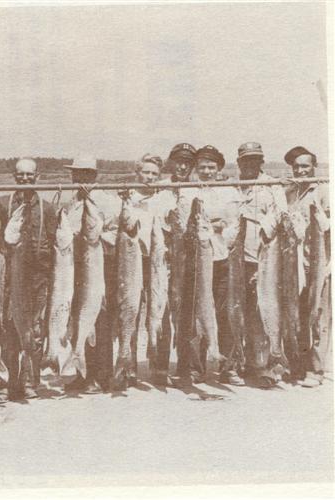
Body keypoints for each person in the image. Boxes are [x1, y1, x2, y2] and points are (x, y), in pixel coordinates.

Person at [0, 158, 57, 400]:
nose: (26, 179)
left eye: (30, 175)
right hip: (12, 278)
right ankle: (10, 380)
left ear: (37, 176)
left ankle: (30, 380)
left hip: (38, 280)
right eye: (21, 175)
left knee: (35, 331)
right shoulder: (3, 204)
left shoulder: (47, 208)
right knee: (10, 329)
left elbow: (55, 244)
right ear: (14, 176)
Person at [178, 146, 242, 385]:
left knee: (225, 313)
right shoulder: (186, 190)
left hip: (222, 258)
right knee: (197, 313)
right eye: (202, 167)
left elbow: (235, 226)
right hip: (196, 260)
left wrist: (220, 229)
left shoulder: (229, 192)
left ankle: (228, 367)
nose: (206, 171)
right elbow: (184, 222)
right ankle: (196, 367)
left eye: (211, 167)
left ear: (219, 169)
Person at [61, 157, 119, 394]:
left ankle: (101, 376)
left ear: (95, 176)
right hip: (75, 267)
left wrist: (94, 237)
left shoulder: (107, 201)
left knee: (101, 320)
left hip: (101, 264)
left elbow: (117, 233)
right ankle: (81, 372)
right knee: (79, 319)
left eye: (86, 174)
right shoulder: (70, 203)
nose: (81, 179)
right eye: (77, 174)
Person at [117, 155, 175, 389]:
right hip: (133, 260)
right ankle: (127, 366)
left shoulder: (164, 198)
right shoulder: (127, 197)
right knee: (131, 311)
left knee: (160, 312)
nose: (150, 178)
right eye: (146, 173)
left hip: (158, 261)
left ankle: (160, 366)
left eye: (154, 174)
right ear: (137, 172)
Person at [234, 142, 288, 388]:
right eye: (246, 160)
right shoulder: (232, 186)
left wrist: (261, 220)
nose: (250, 165)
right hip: (238, 259)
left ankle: (266, 365)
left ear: (261, 162)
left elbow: (280, 214)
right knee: (240, 312)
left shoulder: (272, 186)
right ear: (239, 163)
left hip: (264, 259)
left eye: (255, 160)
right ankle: (244, 360)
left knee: (262, 312)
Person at [283, 146, 330, 387]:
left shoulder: (323, 190)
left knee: (317, 314)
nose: (301, 170)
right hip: (295, 264)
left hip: (319, 262)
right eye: (296, 166)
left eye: (305, 166)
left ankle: (316, 369)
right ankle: (297, 365)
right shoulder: (290, 192)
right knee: (295, 314)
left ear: (314, 166)